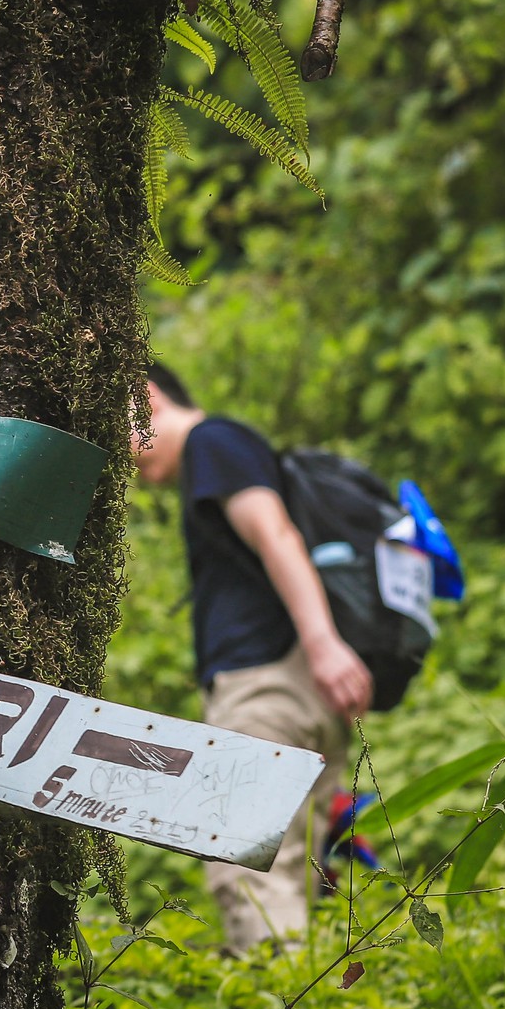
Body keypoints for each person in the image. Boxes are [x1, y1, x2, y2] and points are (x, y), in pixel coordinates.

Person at [130, 363, 371, 953]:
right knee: (300, 865)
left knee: (245, 856)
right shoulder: (220, 453)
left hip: (269, 685)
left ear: (146, 399)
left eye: (119, 442)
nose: (127, 470)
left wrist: (323, 644)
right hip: (301, 686)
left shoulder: (214, 442)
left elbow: (275, 534)